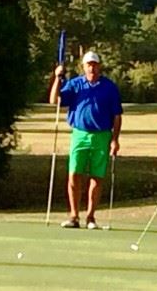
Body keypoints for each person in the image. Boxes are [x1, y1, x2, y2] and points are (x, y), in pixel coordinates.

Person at [49, 51, 123, 229]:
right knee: (74, 174)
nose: (92, 67)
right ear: (83, 66)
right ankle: (74, 216)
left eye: (94, 64)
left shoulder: (109, 87)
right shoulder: (75, 84)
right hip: (79, 134)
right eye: (88, 64)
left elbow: (117, 116)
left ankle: (91, 217)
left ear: (99, 66)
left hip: (102, 135)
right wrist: (58, 77)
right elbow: (54, 100)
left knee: (97, 177)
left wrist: (115, 139)